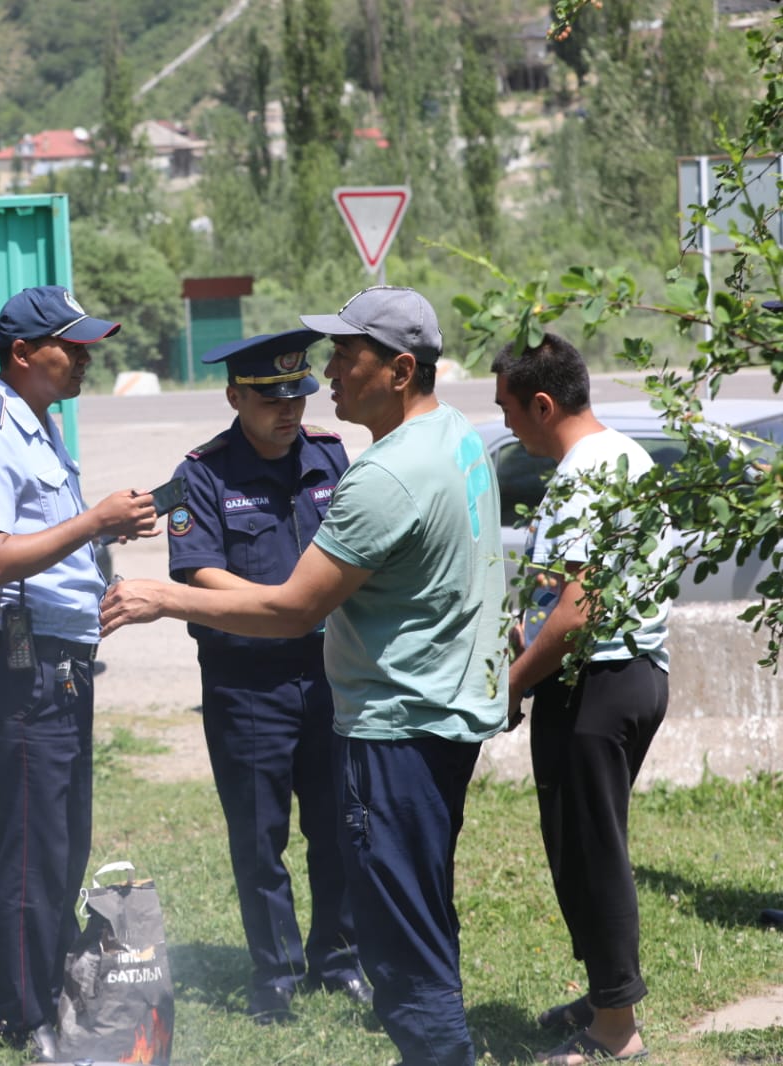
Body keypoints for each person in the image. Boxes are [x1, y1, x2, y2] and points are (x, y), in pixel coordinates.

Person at [102, 285, 509, 1066]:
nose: (324, 374)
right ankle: (279, 971)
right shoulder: (456, 436)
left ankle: (395, 1011)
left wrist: (161, 596)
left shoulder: (374, 469)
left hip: (389, 722)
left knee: (399, 933)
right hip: (298, 691)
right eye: (283, 384)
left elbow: (295, 608)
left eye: (343, 355)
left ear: (397, 369)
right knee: (292, 853)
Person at [0, 284, 159, 1060]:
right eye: (71, 347)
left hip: (63, 661)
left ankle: (50, 988)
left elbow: (50, 542)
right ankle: (24, 1012)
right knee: (33, 850)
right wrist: (95, 521)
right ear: (22, 355)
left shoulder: (39, 425)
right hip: (24, 666)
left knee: (63, 843)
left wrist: (103, 548)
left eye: (88, 345)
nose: (85, 359)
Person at [164, 328, 366, 1023]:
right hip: (248, 683)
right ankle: (274, 973)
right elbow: (199, 570)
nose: (289, 411)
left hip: (330, 673)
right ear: (234, 397)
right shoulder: (203, 473)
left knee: (339, 826)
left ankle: (338, 959)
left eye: (298, 395)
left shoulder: (331, 459)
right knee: (259, 835)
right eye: (270, 399)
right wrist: (283, 607)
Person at [493, 333, 668, 1066]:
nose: (506, 425)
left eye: (508, 409)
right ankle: (606, 996)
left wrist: (511, 683)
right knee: (588, 845)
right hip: (636, 676)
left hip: (596, 683)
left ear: (542, 402)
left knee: (591, 854)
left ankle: (614, 1031)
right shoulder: (623, 455)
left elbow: (576, 612)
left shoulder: (582, 475)